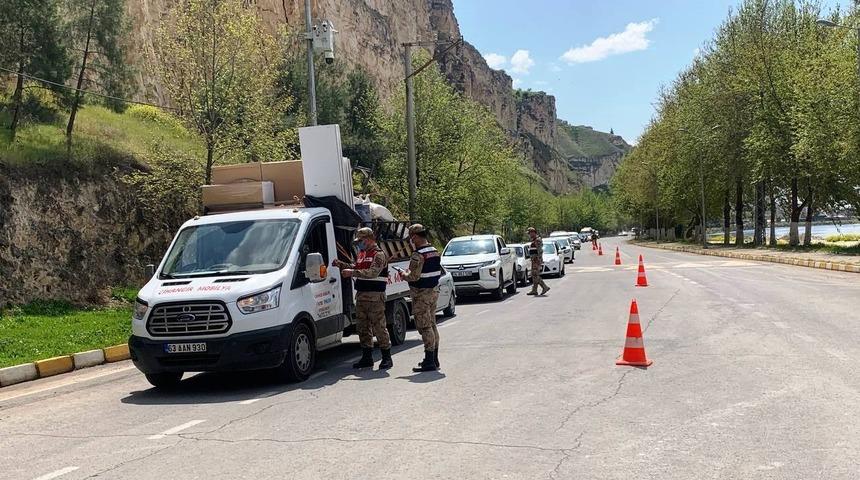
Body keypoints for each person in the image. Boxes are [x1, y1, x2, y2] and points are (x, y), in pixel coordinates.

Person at [334, 227, 393, 369]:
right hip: (361, 296)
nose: (359, 244)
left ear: (368, 239)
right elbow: (357, 266)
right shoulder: (362, 253)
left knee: (379, 327)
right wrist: (343, 265)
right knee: (363, 328)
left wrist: (352, 272)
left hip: (375, 296)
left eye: (361, 241)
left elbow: (373, 272)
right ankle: (367, 357)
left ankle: (386, 357)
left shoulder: (378, 254)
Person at [401, 224, 441, 372]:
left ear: (415, 237)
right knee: (432, 324)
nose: (410, 241)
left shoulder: (418, 254)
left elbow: (413, 276)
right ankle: (434, 358)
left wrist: (404, 274)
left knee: (425, 326)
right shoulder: (434, 251)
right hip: (432, 292)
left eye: (411, 238)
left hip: (421, 294)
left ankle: (429, 360)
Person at [526, 227, 550, 296]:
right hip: (534, 260)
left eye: (530, 233)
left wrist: (538, 260)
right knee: (534, 275)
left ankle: (544, 287)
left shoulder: (537, 240)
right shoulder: (534, 240)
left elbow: (539, 251)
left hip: (536, 260)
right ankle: (534, 290)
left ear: (533, 232)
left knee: (535, 275)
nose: (529, 235)